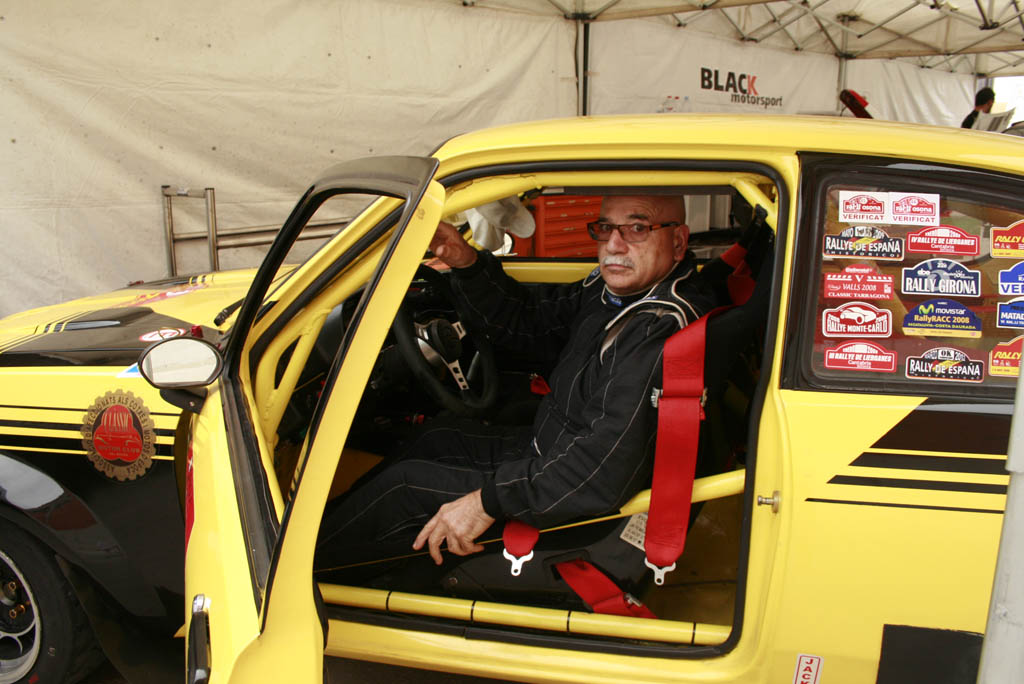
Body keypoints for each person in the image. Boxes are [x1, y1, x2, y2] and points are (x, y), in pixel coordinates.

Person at [315, 194, 718, 572]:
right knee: (435, 437)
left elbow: (598, 470)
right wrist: (466, 262)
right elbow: (533, 324)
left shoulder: (657, 329)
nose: (613, 244)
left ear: (678, 241)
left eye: (637, 228)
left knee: (402, 489)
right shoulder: (615, 290)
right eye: (605, 228)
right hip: (550, 450)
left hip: (573, 500)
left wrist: (486, 502)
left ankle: (303, 570)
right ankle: (315, 530)